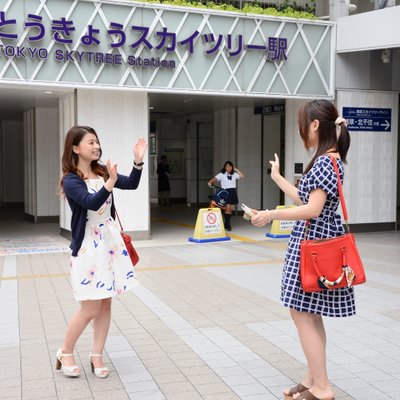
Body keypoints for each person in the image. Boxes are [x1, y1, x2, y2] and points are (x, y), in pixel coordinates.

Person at [251, 100, 353, 400]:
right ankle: (312, 378)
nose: (302, 134)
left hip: (312, 246)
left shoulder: (323, 162)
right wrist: (278, 178)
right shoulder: (332, 160)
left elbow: (312, 208)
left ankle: (322, 386)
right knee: (310, 314)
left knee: (302, 314)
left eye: (302, 128)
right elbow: (305, 197)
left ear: (315, 125)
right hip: (319, 243)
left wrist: (270, 214)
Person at [57, 125, 147, 378]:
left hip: (109, 244)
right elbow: (90, 203)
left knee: (105, 305)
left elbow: (130, 184)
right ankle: (65, 352)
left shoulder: (101, 170)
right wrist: (109, 183)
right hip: (88, 248)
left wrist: (137, 163)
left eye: (97, 142)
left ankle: (97, 356)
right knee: (90, 309)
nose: (96, 146)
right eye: (90, 142)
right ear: (75, 148)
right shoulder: (71, 179)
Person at [208, 161, 244, 231]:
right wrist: (210, 182)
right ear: (225, 167)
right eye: (227, 166)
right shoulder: (222, 174)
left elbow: (242, 176)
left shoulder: (234, 174)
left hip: (232, 192)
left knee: (230, 209)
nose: (229, 167)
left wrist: (236, 170)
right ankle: (228, 225)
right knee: (227, 207)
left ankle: (226, 223)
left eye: (230, 166)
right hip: (225, 192)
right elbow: (215, 178)